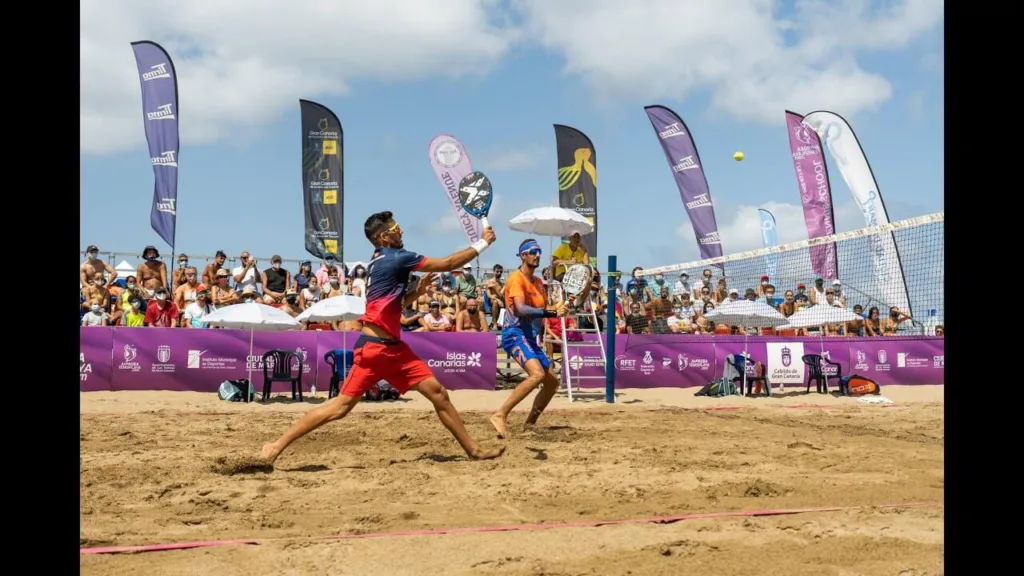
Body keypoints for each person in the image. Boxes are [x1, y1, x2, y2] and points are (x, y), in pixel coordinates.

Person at [259, 211, 505, 465]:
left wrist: (415, 293)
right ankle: (275, 446)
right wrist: (483, 242)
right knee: (340, 408)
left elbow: (394, 308)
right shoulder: (397, 257)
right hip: (374, 351)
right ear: (384, 237)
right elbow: (447, 263)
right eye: (396, 227)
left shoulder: (378, 261)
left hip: (394, 348)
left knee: (438, 393)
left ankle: (473, 450)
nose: (401, 231)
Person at [489, 239, 568, 439]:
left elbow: (544, 310)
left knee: (552, 382)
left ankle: (530, 423)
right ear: (523, 255)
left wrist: (558, 309)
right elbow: (521, 309)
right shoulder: (516, 277)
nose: (537, 255)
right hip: (514, 333)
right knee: (537, 375)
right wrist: (551, 313)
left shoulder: (539, 283)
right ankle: (500, 415)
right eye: (533, 252)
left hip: (530, 337)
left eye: (539, 252)